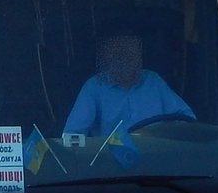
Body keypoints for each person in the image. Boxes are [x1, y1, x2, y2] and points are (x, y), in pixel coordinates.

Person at [63, 33, 193, 136]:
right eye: (118, 55)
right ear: (107, 58)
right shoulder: (94, 86)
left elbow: (187, 119)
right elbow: (72, 134)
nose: (125, 60)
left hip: (156, 155)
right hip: (112, 160)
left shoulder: (153, 81)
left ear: (139, 57)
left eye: (130, 55)